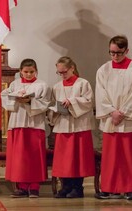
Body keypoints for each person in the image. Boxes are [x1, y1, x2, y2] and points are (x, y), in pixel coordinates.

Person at [95, 35, 132, 200]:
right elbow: (100, 93)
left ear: (126, 51)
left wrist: (122, 113)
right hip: (111, 119)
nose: (115, 56)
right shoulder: (103, 70)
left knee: (129, 156)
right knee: (111, 157)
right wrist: (112, 111)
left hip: (128, 120)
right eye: (112, 52)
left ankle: (130, 188)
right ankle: (108, 187)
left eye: (118, 53)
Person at [1, 58, 51, 198]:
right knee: (20, 157)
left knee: (34, 156)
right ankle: (22, 186)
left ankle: (34, 187)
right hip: (17, 123)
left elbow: (45, 103)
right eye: (26, 72)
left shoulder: (42, 85)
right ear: (20, 72)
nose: (29, 74)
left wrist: (30, 101)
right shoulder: (14, 84)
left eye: (32, 72)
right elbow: (5, 97)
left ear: (36, 71)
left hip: (35, 124)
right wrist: (15, 99)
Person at [48, 56, 95, 198]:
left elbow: (89, 101)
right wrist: (55, 109)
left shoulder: (83, 83)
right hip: (63, 126)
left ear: (72, 68)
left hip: (79, 126)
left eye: (64, 72)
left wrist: (72, 102)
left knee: (77, 158)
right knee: (64, 159)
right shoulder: (56, 87)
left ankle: (77, 187)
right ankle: (65, 186)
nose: (62, 75)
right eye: (59, 73)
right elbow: (51, 105)